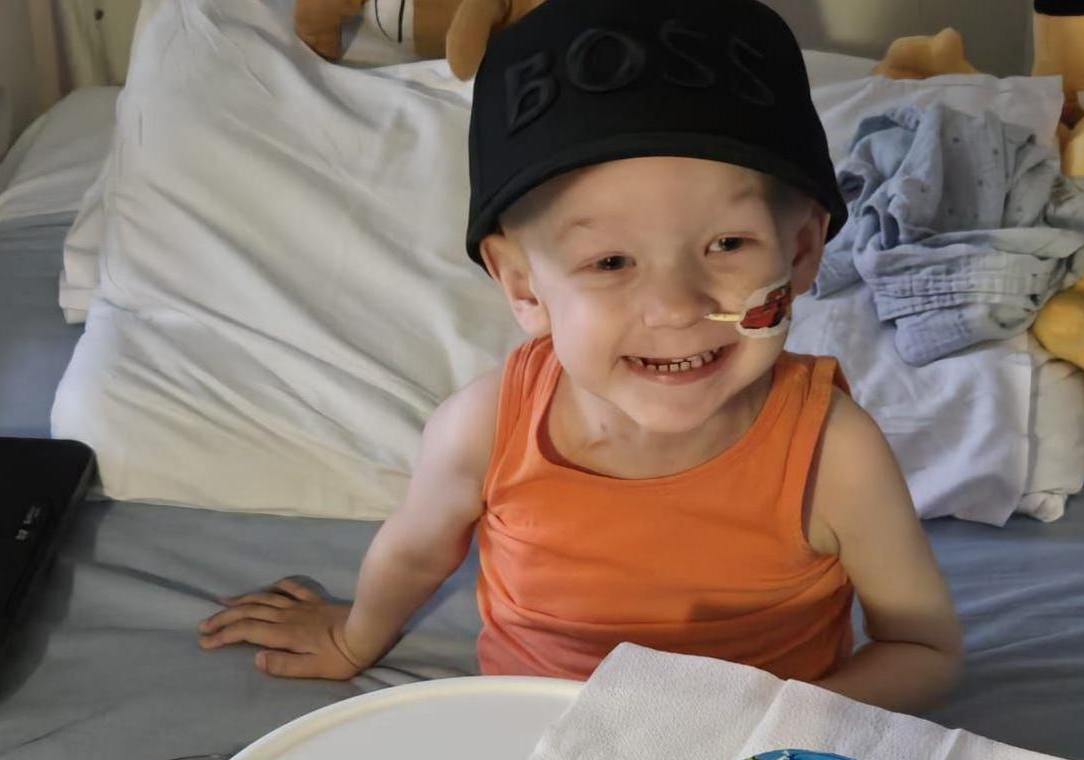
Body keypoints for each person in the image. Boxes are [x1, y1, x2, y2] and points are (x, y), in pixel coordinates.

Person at [198, 0, 961, 714]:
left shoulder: (837, 455)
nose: (675, 308)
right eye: (609, 263)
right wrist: (350, 638)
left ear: (800, 252)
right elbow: (414, 551)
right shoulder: (484, 428)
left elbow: (922, 649)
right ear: (523, 285)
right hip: (530, 742)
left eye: (727, 245)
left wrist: (769, 733)